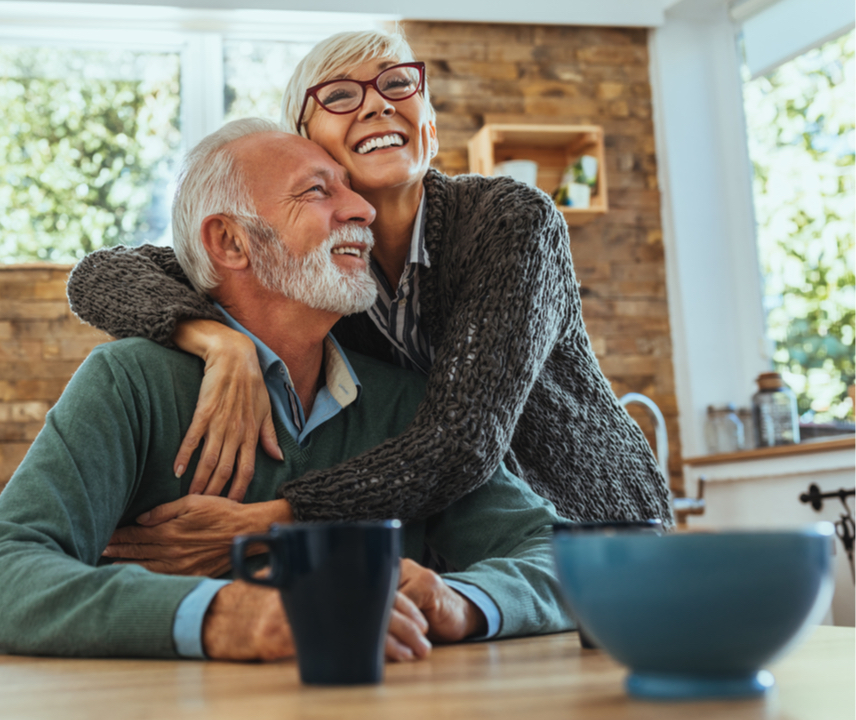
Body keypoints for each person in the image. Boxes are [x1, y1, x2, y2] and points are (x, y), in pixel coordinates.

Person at [0, 119, 573, 661]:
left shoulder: (406, 403)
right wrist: (226, 615)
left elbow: (559, 558)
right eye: (318, 192)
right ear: (230, 242)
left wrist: (458, 598)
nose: (362, 210)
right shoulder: (130, 383)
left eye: (351, 190)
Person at [66, 28, 672, 575]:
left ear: (429, 125)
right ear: (306, 145)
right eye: (339, 96)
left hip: (588, 531)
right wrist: (215, 339)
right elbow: (102, 274)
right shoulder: (311, 269)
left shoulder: (510, 221)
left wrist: (269, 520)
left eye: (398, 84)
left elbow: (461, 442)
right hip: (449, 554)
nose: (378, 102)